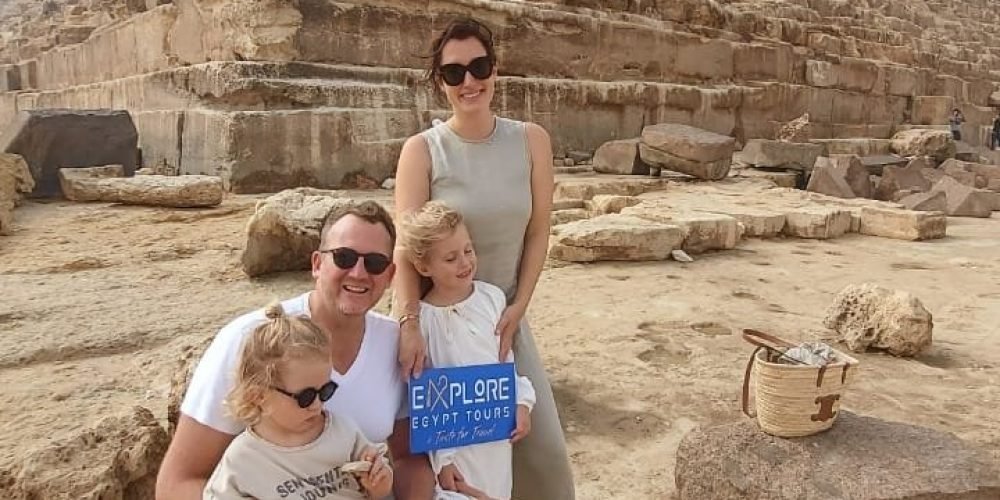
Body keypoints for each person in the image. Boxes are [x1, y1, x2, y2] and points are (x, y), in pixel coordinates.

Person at [393, 18, 575, 500]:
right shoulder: (421, 151)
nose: (469, 81)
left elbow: (539, 230)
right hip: (442, 329)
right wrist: (409, 324)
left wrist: (518, 309)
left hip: (504, 322)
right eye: (454, 73)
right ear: (439, 83)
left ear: (496, 69)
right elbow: (406, 248)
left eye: (479, 66)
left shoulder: (531, 140)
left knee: (545, 463)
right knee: (457, 472)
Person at [156, 200, 435, 500]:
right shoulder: (253, 340)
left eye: (375, 263)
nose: (358, 272)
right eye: (343, 257)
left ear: (390, 275)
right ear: (317, 263)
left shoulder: (395, 344)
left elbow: (408, 458)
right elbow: (179, 481)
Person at [398, 201, 535, 500]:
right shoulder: (422, 323)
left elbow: (504, 362)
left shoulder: (492, 299)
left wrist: (522, 403)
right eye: (450, 258)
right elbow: (423, 397)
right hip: (454, 450)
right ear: (423, 267)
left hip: (496, 441)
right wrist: (442, 459)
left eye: (468, 251)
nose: (465, 263)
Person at [204, 303, 393, 499]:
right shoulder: (242, 461)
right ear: (258, 396)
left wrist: (378, 483)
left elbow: (377, 489)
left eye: (326, 391)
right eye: (306, 397)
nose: (317, 405)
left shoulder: (343, 431)